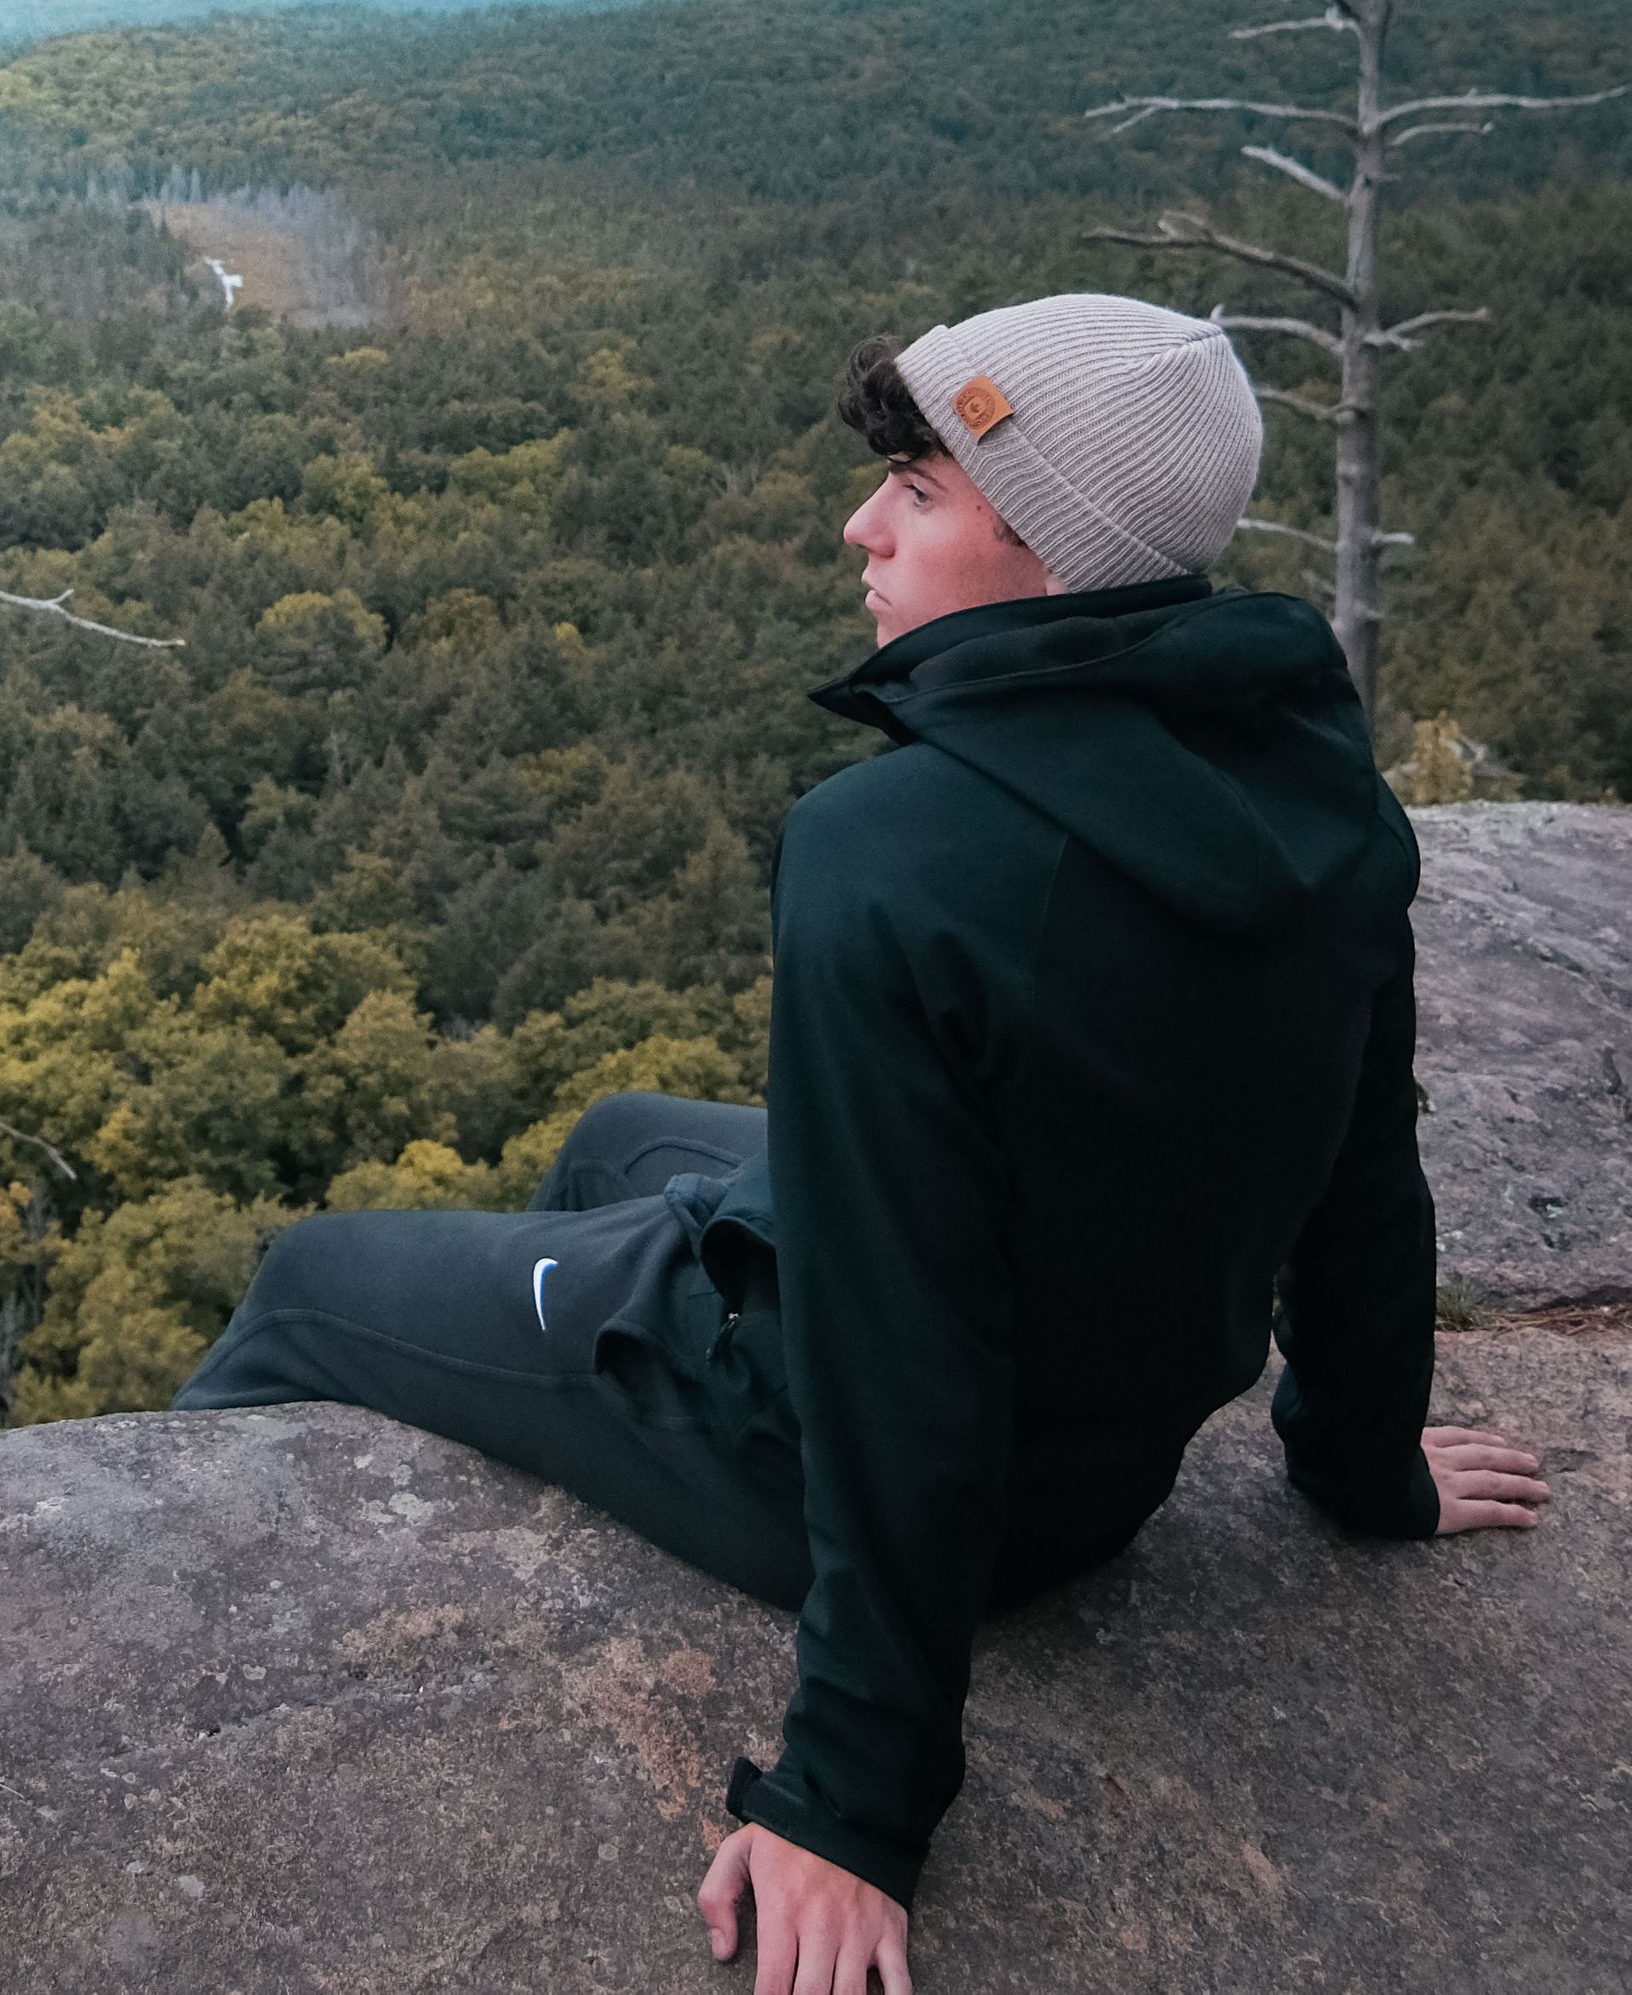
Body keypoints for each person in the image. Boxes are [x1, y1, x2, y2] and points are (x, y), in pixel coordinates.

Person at [174, 292, 1551, 1995]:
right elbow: (1360, 1165)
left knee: (308, 1277)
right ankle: (586, 1382)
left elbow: (897, 1343)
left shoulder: (893, 854)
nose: (860, 524)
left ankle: (230, 1583)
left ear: (1052, 553)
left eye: (916, 488)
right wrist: (1366, 1464)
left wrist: (852, 1799)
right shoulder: (1316, 788)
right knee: (618, 1136)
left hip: (830, 1462)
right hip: (1097, 1472)